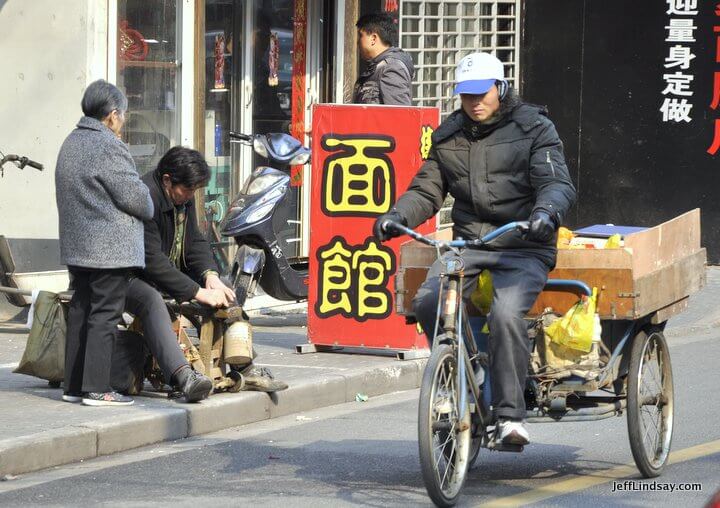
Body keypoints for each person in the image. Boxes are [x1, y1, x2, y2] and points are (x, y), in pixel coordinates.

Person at [373, 52, 576, 445]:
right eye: (466, 96)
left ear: (500, 88)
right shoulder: (448, 135)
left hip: (524, 245)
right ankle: (468, 370)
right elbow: (426, 190)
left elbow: (557, 183)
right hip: (471, 243)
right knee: (428, 300)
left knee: (504, 314)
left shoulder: (535, 128)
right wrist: (395, 216)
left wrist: (546, 212)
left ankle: (510, 417)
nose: (474, 103)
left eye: (481, 94)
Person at [126, 146, 288, 395]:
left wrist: (209, 276)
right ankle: (184, 375)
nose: (190, 196)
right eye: (187, 189)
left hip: (167, 269)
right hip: (135, 276)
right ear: (167, 180)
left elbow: (195, 242)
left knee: (226, 294)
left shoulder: (182, 198)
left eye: (194, 190)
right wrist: (196, 291)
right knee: (161, 302)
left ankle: (244, 367)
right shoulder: (146, 197)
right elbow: (151, 259)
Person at [56, 79, 154, 406]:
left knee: (81, 311)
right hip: (108, 249)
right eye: (122, 117)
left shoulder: (71, 142)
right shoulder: (108, 146)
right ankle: (97, 388)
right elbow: (138, 200)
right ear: (112, 116)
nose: (122, 123)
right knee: (105, 315)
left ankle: (74, 386)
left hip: (78, 245)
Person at [353, 12, 414, 105]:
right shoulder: (377, 66)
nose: (357, 42)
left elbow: (400, 115)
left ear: (373, 38)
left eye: (361, 36)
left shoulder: (392, 68)